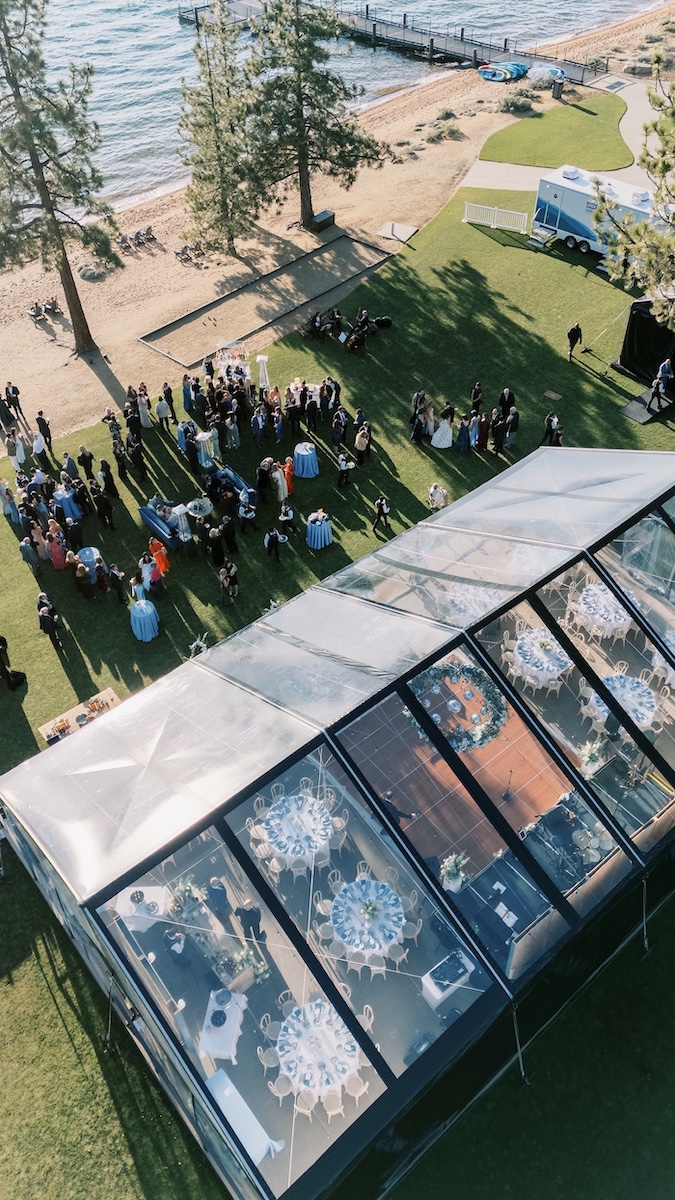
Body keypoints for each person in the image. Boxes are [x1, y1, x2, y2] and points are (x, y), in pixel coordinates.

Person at [130, 570, 159, 641]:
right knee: (142, 597)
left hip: (137, 590)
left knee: (139, 598)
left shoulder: (134, 580)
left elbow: (132, 583)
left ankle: (140, 604)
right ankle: (143, 604)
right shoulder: (141, 578)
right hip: (141, 589)